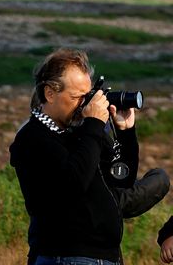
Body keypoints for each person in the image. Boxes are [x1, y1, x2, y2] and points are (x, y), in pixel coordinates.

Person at [9, 48, 169, 265]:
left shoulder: (81, 131)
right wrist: (93, 125)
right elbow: (73, 183)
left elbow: (120, 179)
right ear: (50, 93)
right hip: (66, 256)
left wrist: (124, 133)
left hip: (103, 256)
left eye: (88, 96)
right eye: (77, 97)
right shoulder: (33, 137)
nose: (84, 104)